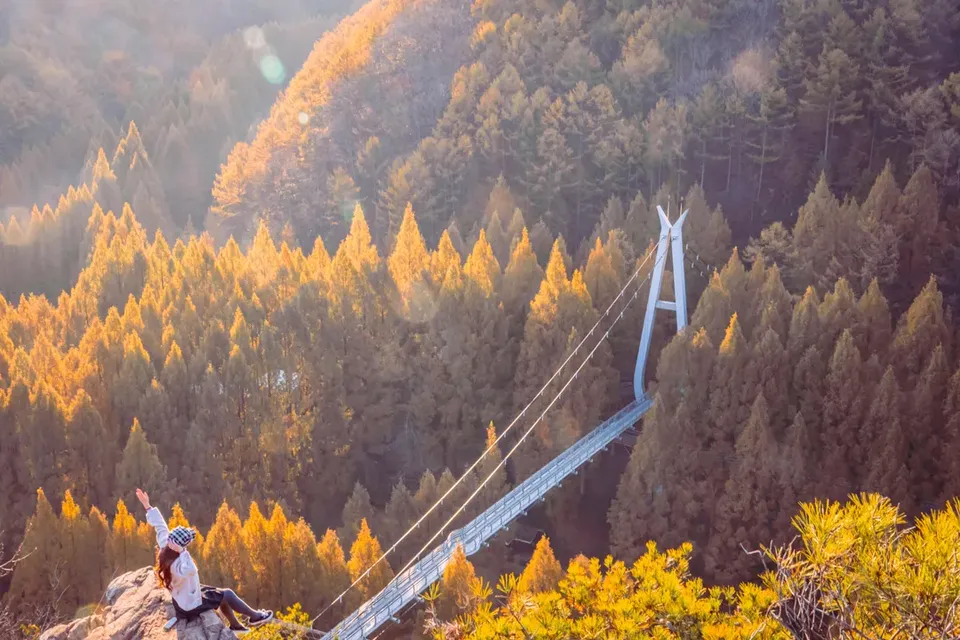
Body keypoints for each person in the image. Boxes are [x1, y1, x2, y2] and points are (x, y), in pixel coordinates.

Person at [136, 488, 274, 632]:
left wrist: (148, 506)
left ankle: (235, 625)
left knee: (221, 593)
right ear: (180, 546)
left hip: (182, 599)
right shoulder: (180, 565)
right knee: (227, 594)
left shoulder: (165, 548)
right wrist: (182, 552)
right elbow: (191, 570)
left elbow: (160, 526)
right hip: (189, 607)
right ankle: (256, 617)